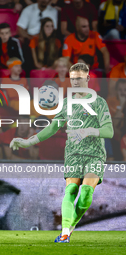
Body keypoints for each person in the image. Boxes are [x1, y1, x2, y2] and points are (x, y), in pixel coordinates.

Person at [10, 63, 114, 243]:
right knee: (71, 189)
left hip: (95, 153)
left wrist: (90, 131)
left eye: (79, 79)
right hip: (73, 153)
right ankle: (65, 232)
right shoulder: (67, 103)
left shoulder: (99, 103)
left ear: (87, 79)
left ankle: (70, 225)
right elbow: (51, 128)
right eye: (73, 79)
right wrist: (28, 141)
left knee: (86, 196)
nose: (75, 83)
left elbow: (109, 131)